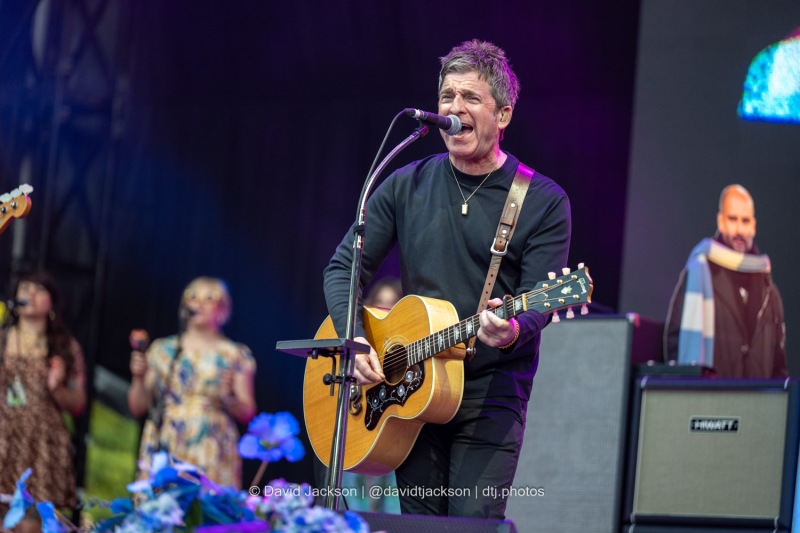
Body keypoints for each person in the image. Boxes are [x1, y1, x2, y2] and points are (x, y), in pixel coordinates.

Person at [323, 40, 571, 519]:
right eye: (447, 97)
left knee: (472, 527)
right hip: (408, 389)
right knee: (418, 528)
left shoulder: (542, 200)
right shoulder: (405, 183)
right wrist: (355, 339)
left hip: (489, 395)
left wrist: (515, 327)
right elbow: (342, 268)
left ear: (503, 115)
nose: (454, 108)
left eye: (470, 98)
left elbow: (541, 299)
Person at [128, 276, 257, 488]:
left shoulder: (235, 355)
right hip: (167, 440)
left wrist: (229, 397)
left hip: (211, 445)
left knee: (207, 511)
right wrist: (138, 377)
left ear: (223, 311)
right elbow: (138, 407)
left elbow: (248, 412)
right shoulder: (162, 350)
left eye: (209, 298)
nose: (199, 303)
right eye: (193, 297)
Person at [664, 184, 787, 378]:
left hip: (758, 401)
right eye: (733, 219)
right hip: (713, 399)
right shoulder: (700, 272)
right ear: (721, 222)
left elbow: (778, 360)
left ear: (753, 226)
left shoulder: (768, 289)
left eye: (745, 221)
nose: (739, 229)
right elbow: (676, 342)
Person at [0, 270, 87, 513]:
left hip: (41, 440)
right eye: (25, 289)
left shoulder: (65, 346)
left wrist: (56, 386)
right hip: (3, 436)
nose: (31, 294)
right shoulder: (2, 338)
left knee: (31, 520)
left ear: (52, 302)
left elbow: (78, 404)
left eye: (39, 290)